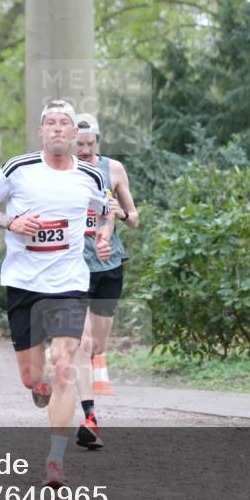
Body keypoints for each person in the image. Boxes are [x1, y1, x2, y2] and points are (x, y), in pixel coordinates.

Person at [0, 100, 114, 487]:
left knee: (65, 362)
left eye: (63, 123)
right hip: (23, 282)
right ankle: (40, 386)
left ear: (74, 134)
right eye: (49, 123)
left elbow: (105, 213)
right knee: (31, 378)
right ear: (41, 132)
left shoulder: (90, 176)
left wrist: (103, 238)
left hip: (69, 282)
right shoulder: (18, 169)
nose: (56, 128)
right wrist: (11, 221)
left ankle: (55, 460)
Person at [72, 113, 140, 451]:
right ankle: (90, 419)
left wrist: (121, 212)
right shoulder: (61, 172)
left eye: (89, 144)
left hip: (109, 264)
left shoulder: (113, 170)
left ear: (98, 142)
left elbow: (135, 219)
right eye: (78, 144)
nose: (84, 151)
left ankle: (78, 385)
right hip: (73, 265)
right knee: (82, 345)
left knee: (97, 346)